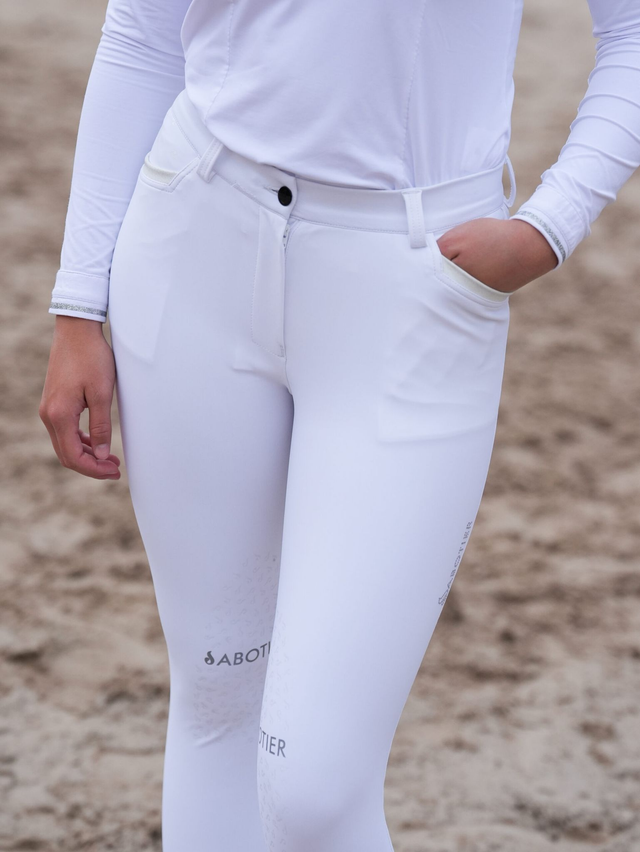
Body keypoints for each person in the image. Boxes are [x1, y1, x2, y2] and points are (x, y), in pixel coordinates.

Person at [39, 1, 640, 849]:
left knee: (314, 787)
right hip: (191, 246)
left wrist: (551, 225)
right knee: (216, 697)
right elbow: (143, 32)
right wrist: (78, 303)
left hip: (415, 287)